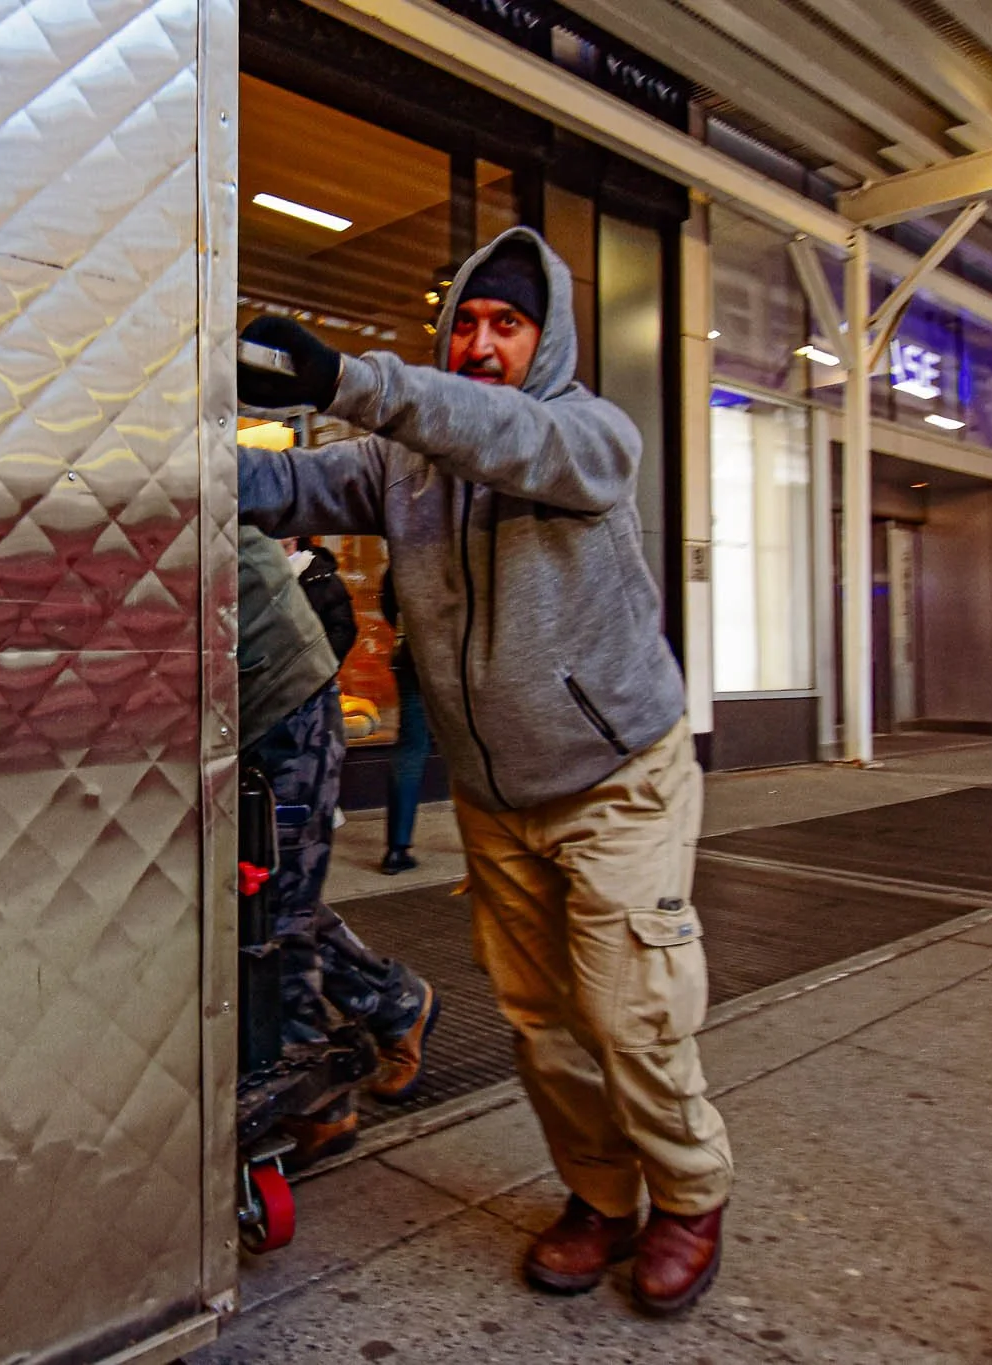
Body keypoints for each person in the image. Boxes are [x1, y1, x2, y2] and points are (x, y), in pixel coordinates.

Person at [236, 229, 731, 1315]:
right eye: (463, 321)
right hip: (496, 796)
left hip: (617, 777)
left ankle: (688, 1193)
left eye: (505, 324)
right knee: (542, 1019)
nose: (479, 343)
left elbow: (501, 440)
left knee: (625, 1007)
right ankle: (599, 1199)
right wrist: (156, 442)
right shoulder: (404, 464)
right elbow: (286, 484)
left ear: (543, 337)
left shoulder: (586, 436)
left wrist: (343, 379)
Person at [237, 524, 439, 1164]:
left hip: (282, 709)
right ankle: (397, 1001)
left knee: (277, 908)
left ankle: (320, 1106)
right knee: (266, 893)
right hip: (239, 706)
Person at [379, 573, 429, 875]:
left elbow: (389, 601)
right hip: (459, 656)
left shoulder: (409, 547)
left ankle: (397, 847)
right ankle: (486, 840)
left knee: (410, 746)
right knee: (470, 749)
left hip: (411, 651)